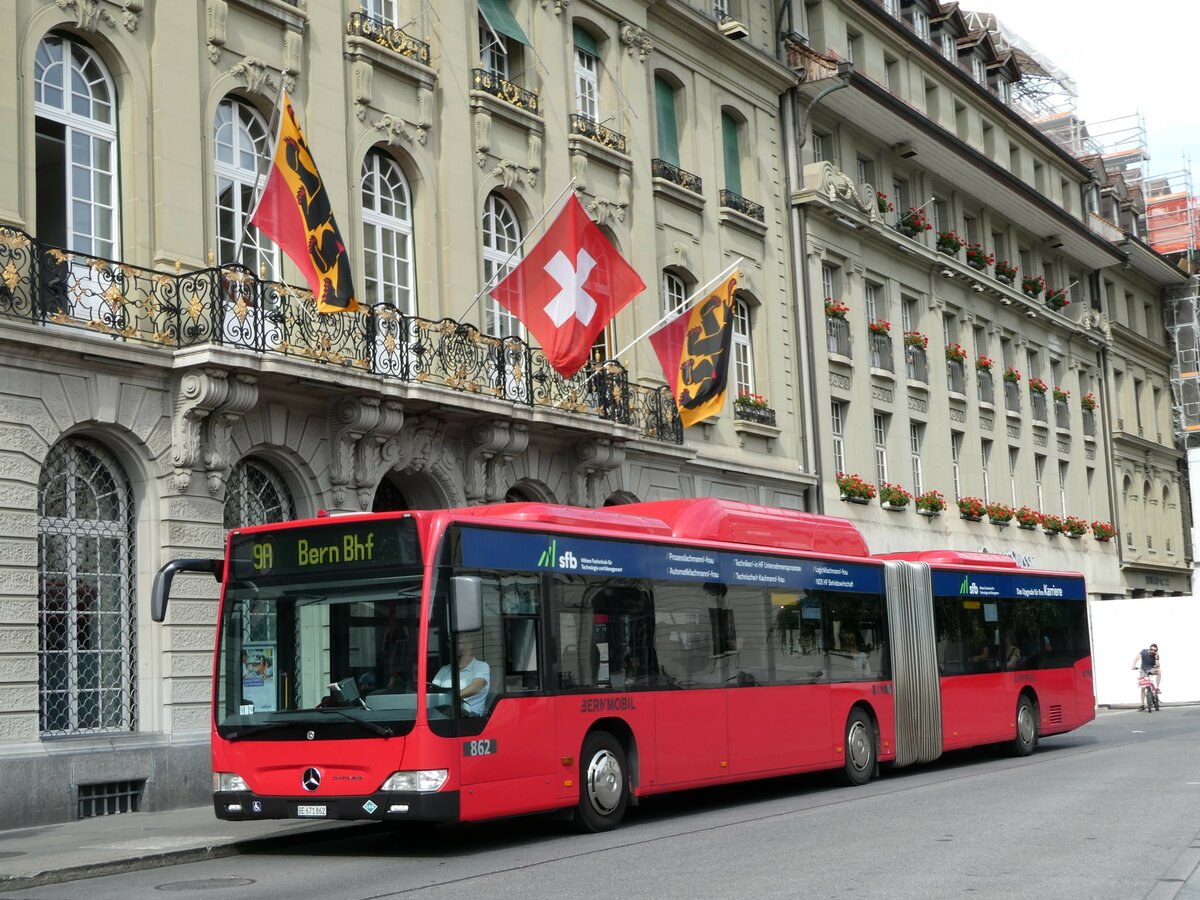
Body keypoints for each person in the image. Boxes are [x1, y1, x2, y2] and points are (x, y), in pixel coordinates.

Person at [433, 638, 490, 716]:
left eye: (460, 643)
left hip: (469, 717)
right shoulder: (445, 669)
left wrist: (450, 697)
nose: (454, 646)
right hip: (443, 713)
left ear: (470, 645)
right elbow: (433, 690)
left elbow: (477, 686)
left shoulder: (481, 666)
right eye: (451, 643)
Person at [1132, 643, 1160, 708]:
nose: (1152, 651)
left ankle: (1157, 688)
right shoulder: (1144, 651)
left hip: (1151, 669)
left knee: (1159, 671)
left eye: (1154, 650)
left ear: (1156, 651)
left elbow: (1158, 666)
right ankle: (1142, 704)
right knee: (1143, 688)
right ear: (1149, 648)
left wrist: (1156, 658)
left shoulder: (1156, 655)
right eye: (1151, 649)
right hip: (1143, 669)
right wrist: (1133, 665)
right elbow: (1136, 658)